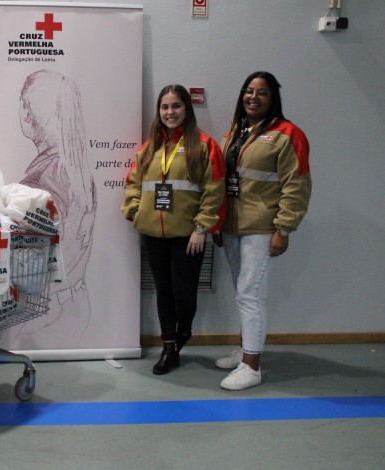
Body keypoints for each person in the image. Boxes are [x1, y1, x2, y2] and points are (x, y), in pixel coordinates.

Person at [214, 71, 311, 391]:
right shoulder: (238, 131)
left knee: (250, 295)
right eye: (249, 91)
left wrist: (284, 229)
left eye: (262, 92)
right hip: (232, 227)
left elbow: (296, 186)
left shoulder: (288, 134)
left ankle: (251, 367)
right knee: (243, 293)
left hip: (262, 228)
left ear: (274, 98)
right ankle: (245, 351)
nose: (253, 97)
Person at [122, 85, 225, 375]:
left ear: (186, 109)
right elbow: (134, 182)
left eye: (176, 106)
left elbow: (214, 189)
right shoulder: (150, 147)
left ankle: (184, 332)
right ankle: (169, 347)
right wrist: (133, 210)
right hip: (154, 235)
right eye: (165, 107)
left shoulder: (204, 145)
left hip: (188, 236)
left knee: (185, 295)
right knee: (163, 291)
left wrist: (202, 227)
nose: (170, 112)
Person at [11, 69, 97, 346]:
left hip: (45, 313)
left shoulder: (44, 182)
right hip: (72, 301)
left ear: (31, 113)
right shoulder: (76, 170)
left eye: (23, 106)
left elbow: (35, 249)